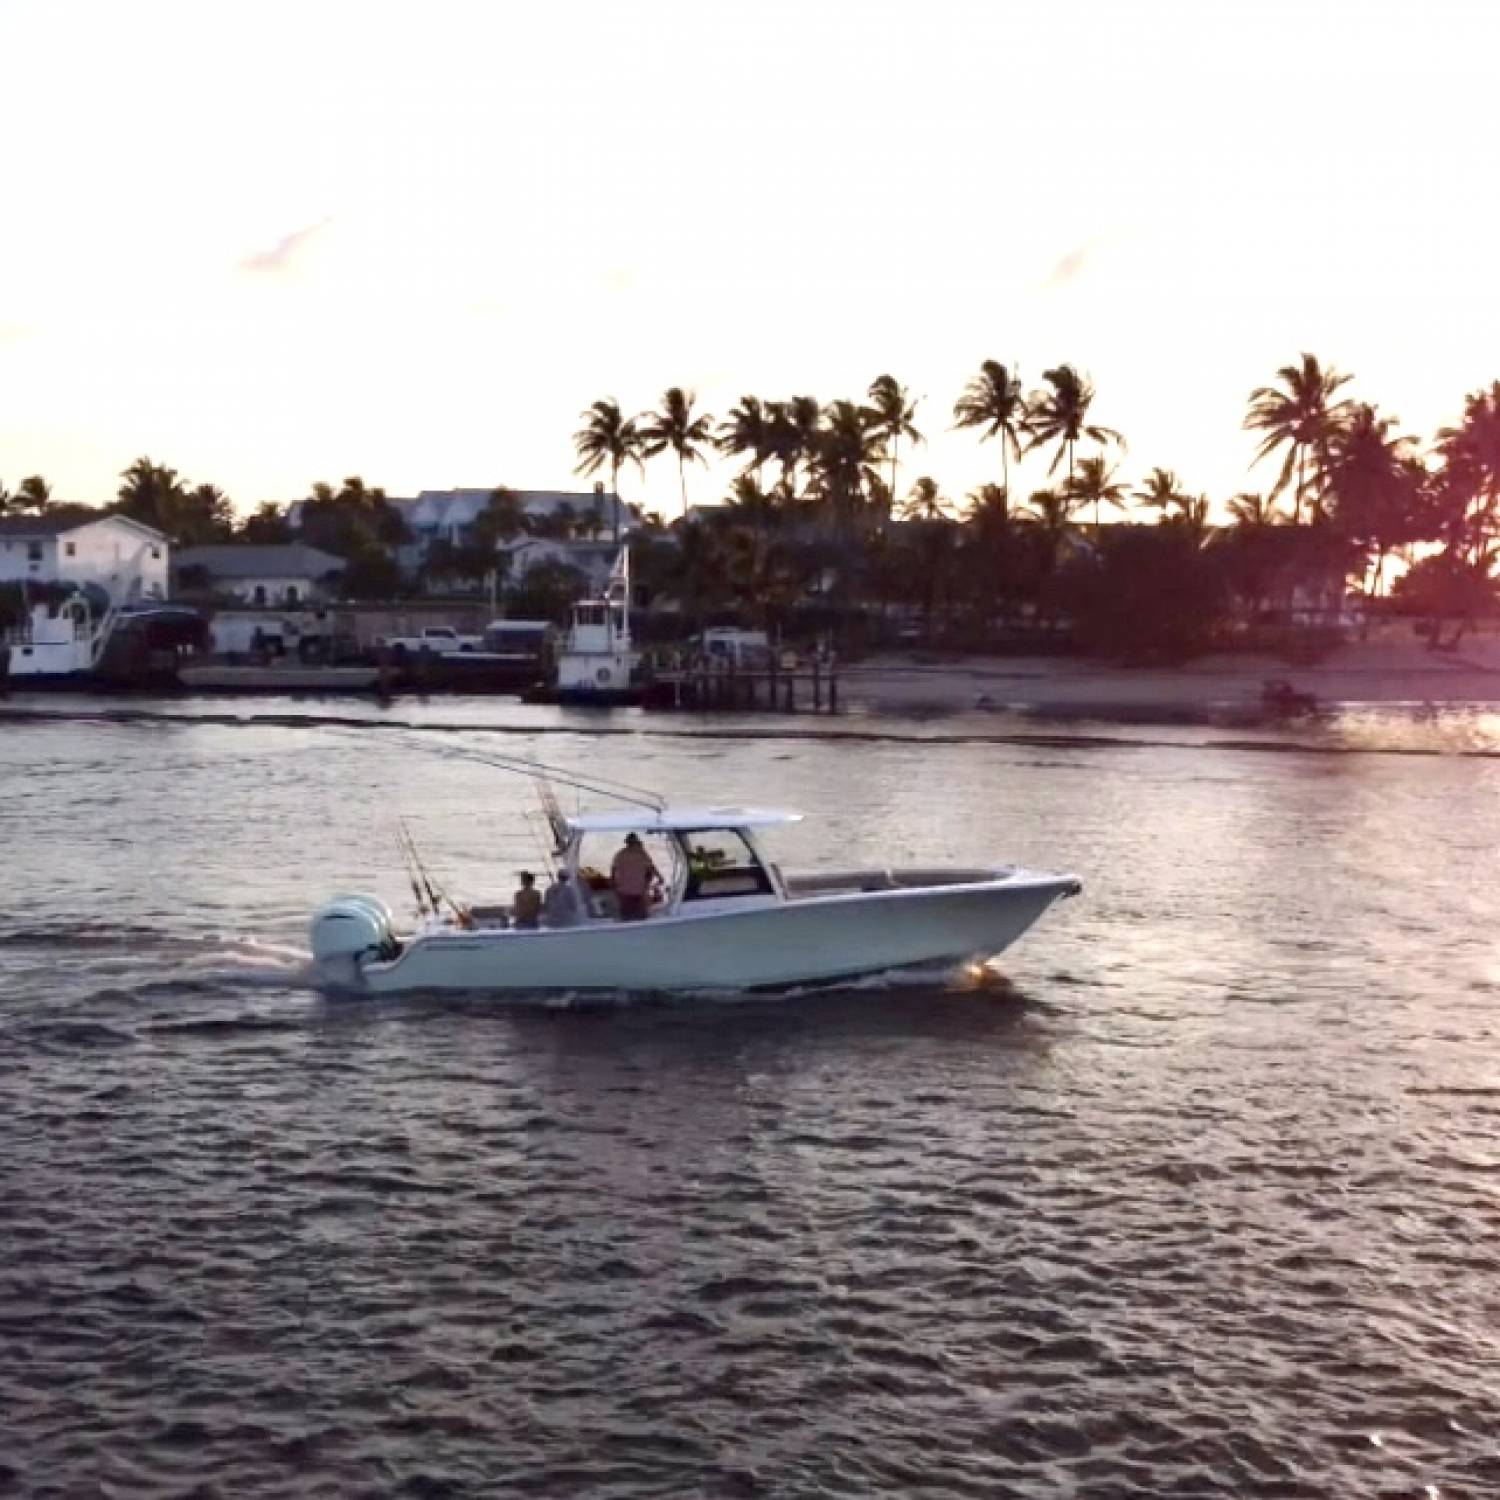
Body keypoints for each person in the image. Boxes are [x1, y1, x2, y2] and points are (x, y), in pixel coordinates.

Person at [610, 832, 660, 922]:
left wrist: (614, 885)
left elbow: (613, 871)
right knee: (641, 917)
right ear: (636, 842)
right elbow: (652, 869)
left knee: (625, 916)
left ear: (627, 843)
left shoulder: (620, 854)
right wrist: (659, 878)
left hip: (624, 890)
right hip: (639, 890)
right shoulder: (642, 854)